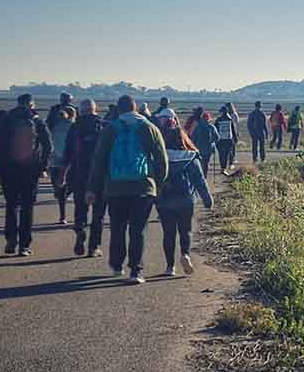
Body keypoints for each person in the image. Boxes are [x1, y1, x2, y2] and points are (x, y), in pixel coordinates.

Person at [87, 95, 168, 283]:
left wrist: (92, 188)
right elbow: (162, 160)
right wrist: (158, 183)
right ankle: (136, 271)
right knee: (138, 229)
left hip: (115, 188)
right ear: (136, 108)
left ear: (119, 109)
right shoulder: (149, 128)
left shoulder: (111, 129)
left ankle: (116, 266)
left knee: (117, 227)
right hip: (143, 188)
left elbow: (98, 160)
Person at [0, 93, 52, 257]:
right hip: (30, 170)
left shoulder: (6, 120)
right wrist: (43, 166)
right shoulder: (37, 121)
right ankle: (24, 245)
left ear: (18, 103)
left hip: (8, 169)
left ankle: (10, 239)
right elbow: (48, 145)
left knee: (11, 205)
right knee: (27, 207)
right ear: (31, 104)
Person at [156, 128, 213, 277]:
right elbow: (200, 180)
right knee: (185, 230)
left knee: (168, 233)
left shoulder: (161, 157)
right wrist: (207, 199)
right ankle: (185, 254)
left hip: (165, 200)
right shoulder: (191, 157)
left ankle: (170, 267)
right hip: (185, 200)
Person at [64, 99, 106, 257]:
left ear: (81, 111)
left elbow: (67, 153)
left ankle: (80, 230)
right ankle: (94, 247)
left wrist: (64, 173)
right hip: (99, 176)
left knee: (80, 209)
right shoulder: (103, 126)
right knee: (98, 214)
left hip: (79, 174)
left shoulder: (74, 127)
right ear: (95, 109)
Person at [50, 106, 76, 225]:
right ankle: (66, 216)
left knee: (60, 190)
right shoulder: (74, 127)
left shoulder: (54, 127)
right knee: (69, 188)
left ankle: (62, 216)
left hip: (55, 160)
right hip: (69, 162)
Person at [191, 111, 219, 178]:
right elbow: (217, 137)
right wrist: (212, 143)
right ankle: (205, 176)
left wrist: (193, 146)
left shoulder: (198, 127)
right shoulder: (212, 127)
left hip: (199, 148)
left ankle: (200, 176)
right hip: (209, 148)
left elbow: (193, 137)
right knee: (206, 163)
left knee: (200, 162)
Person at [215, 106, 238, 173]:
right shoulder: (230, 120)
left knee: (221, 154)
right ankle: (225, 167)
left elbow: (215, 130)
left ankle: (223, 168)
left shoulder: (218, 120)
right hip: (228, 139)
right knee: (227, 154)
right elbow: (233, 130)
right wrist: (235, 139)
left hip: (220, 140)